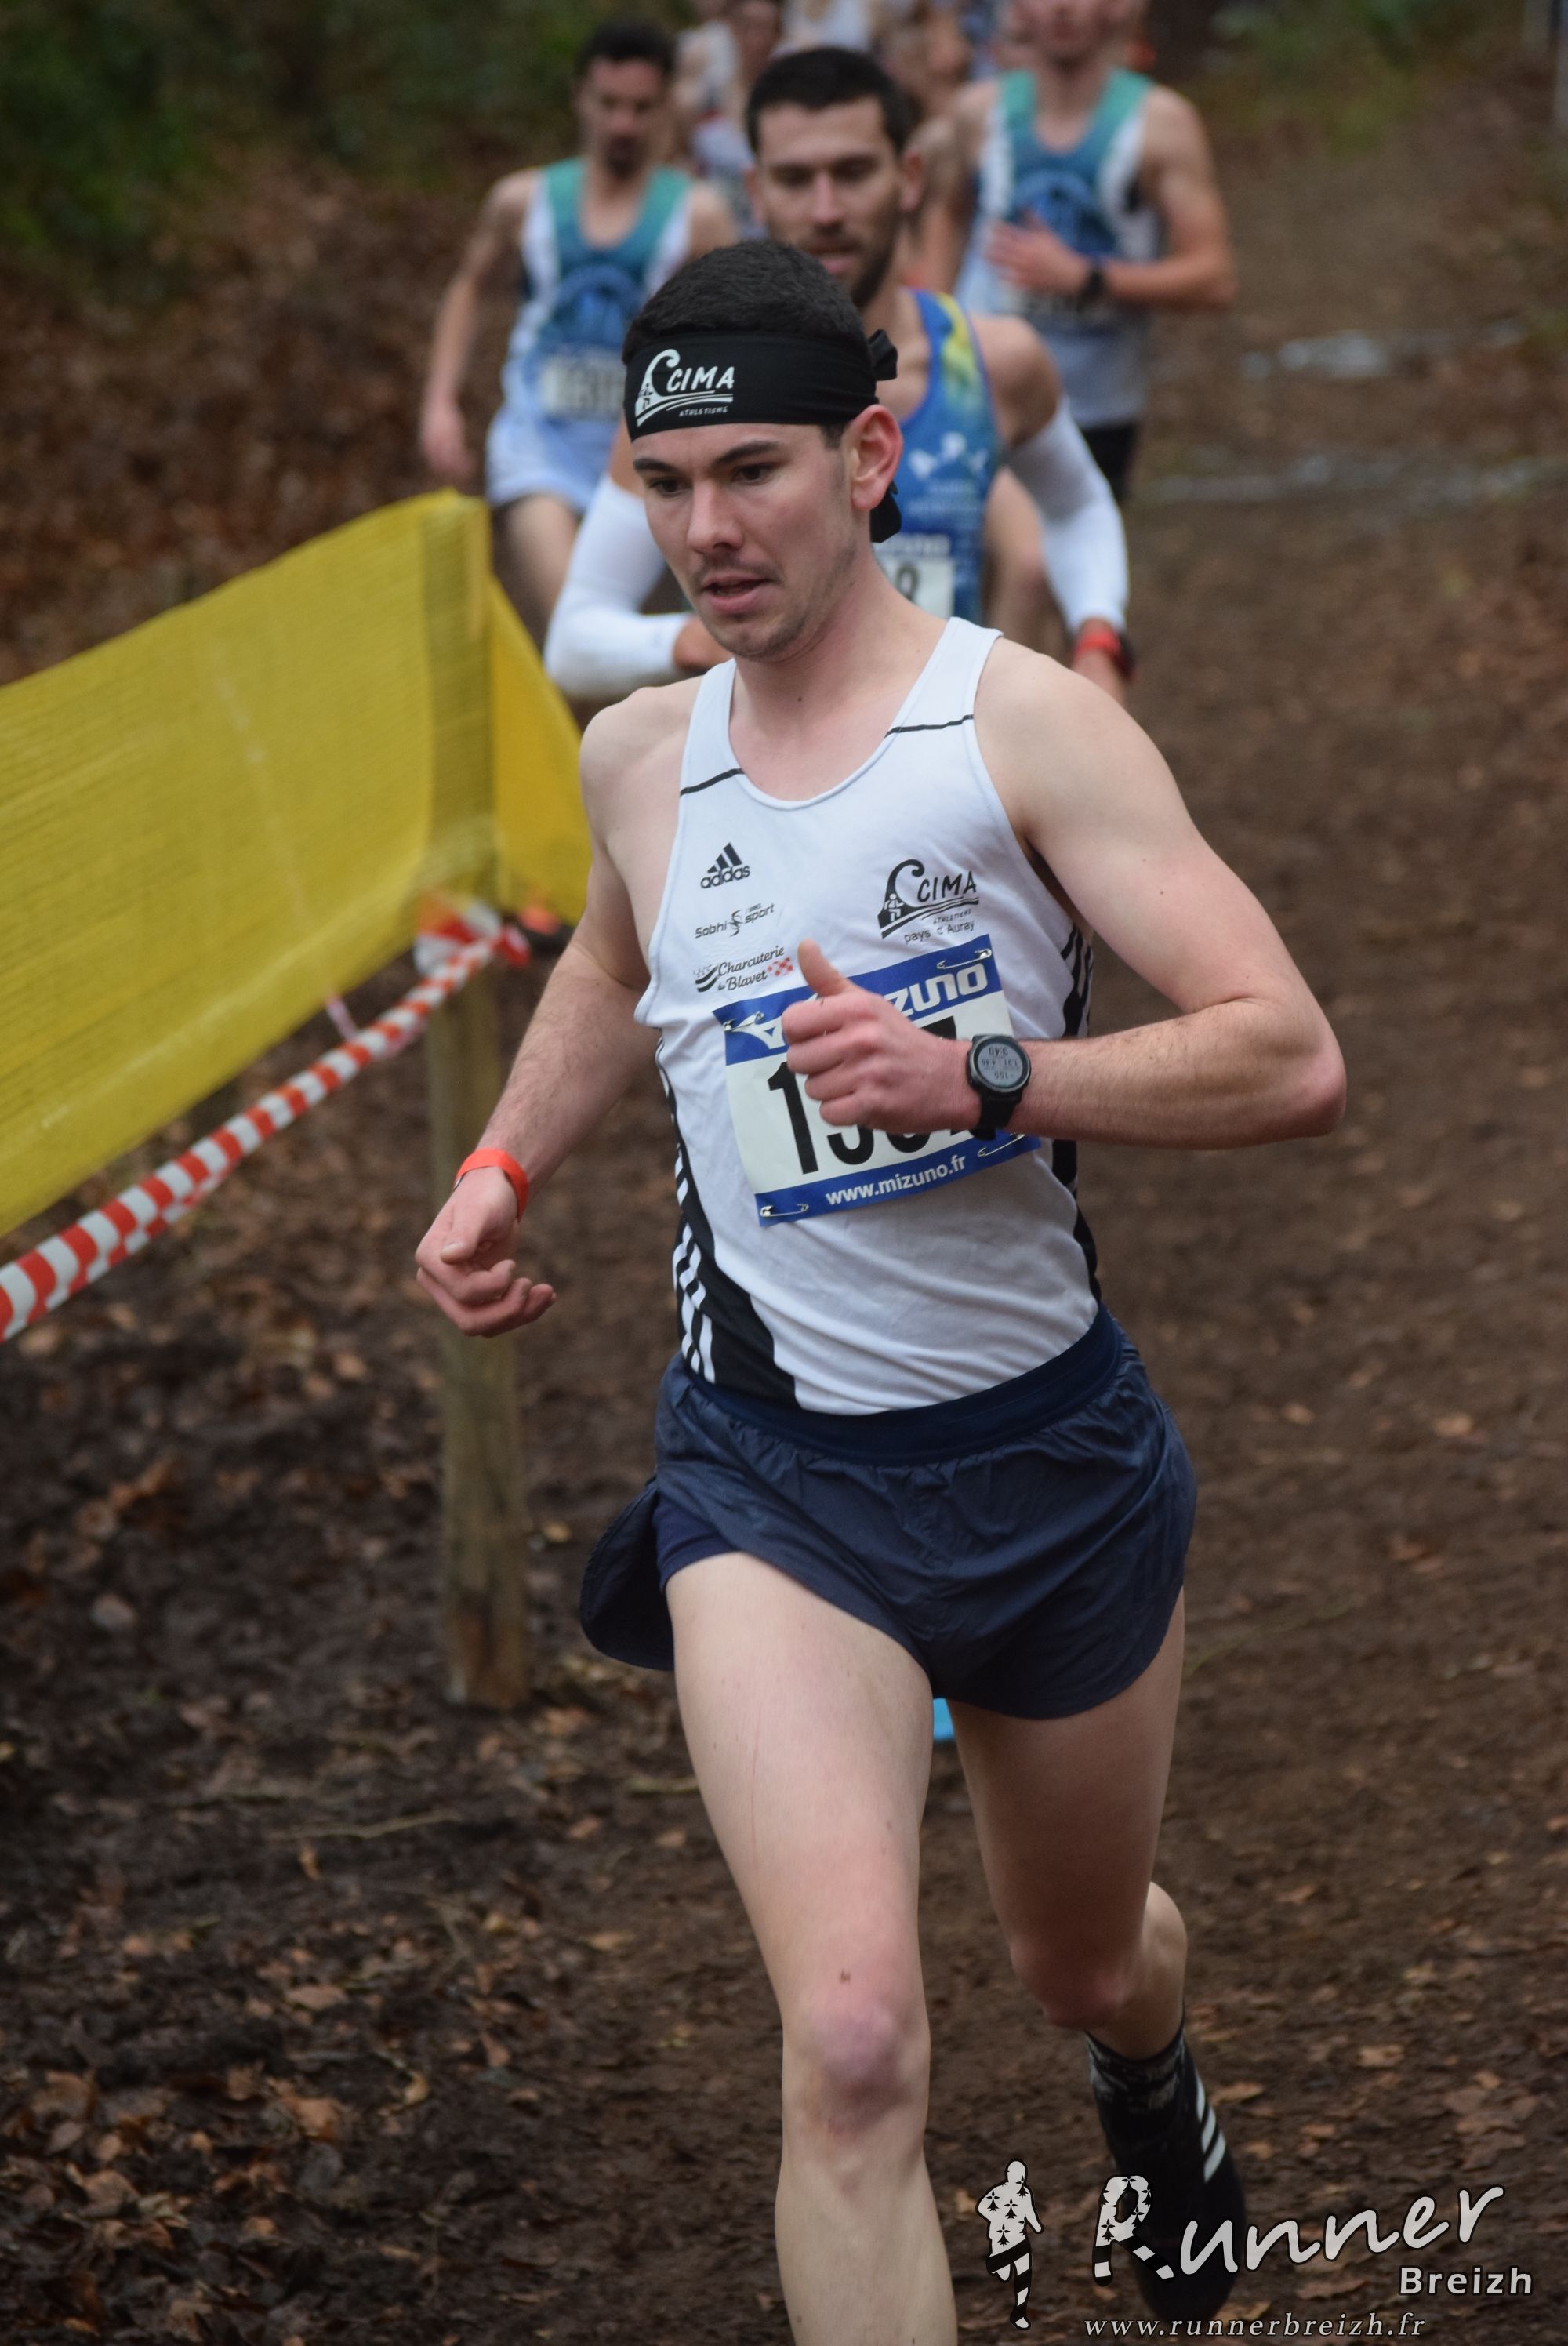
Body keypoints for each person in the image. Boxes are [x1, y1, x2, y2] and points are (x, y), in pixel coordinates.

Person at [414, 237, 1346, 2335]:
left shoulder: (1022, 731)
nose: (707, 529)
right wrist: (499, 1164)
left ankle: (1147, 2071)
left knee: (1077, 1958)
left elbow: (1287, 1054)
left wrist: (984, 1076)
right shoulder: (641, 755)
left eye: (752, 470)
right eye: (666, 486)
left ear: (867, 454)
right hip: (773, 1481)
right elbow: (618, 959)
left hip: (1044, 1464)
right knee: (847, 2049)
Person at [543, 45, 1131, 705]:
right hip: (774, 754)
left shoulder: (991, 362)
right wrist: (703, 638)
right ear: (757, 193)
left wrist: (1099, 637)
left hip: (949, 754)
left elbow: (1079, 506)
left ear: (909, 177)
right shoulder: (691, 397)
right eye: (795, 179)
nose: (826, 211)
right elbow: (574, 643)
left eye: (852, 173)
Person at [418, 19, 733, 639]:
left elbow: (740, 329)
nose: (623, 124)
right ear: (580, 98)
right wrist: (440, 403)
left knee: (622, 654)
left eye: (641, 108)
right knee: (576, 629)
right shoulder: (522, 200)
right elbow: (469, 287)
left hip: (649, 456)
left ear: (668, 106)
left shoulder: (700, 214)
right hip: (539, 446)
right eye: (608, 104)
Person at [919, 0, 1235, 500]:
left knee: (1079, 545)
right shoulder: (976, 113)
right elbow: (945, 213)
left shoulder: (1161, 123)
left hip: (1097, 407)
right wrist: (931, 321)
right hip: (978, 393)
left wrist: (1089, 278)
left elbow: (1215, 278)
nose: (1063, 8)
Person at [678, 0, 785, 236]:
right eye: (748, 26)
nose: (756, 39)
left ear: (778, 35)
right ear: (731, 30)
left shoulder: (791, 100)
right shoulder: (701, 96)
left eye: (765, 28)